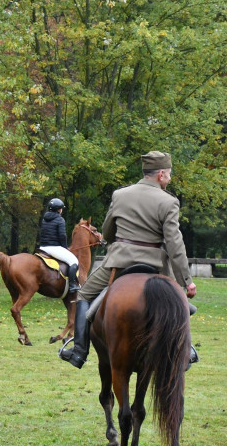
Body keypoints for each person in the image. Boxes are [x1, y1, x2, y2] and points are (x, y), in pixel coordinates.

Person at [59, 151, 197, 369]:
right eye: (169, 174)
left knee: (84, 295)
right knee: (179, 303)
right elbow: (175, 244)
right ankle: (185, 349)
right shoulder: (169, 201)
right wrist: (187, 280)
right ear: (161, 174)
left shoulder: (120, 195)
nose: (169, 178)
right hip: (155, 265)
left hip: (119, 263)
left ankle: (79, 351)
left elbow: (107, 230)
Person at [37, 197, 80, 294]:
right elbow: (62, 235)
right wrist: (65, 248)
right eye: (61, 208)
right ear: (59, 209)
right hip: (54, 248)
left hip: (43, 248)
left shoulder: (44, 218)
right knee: (74, 261)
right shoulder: (60, 219)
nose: (61, 210)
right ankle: (72, 285)